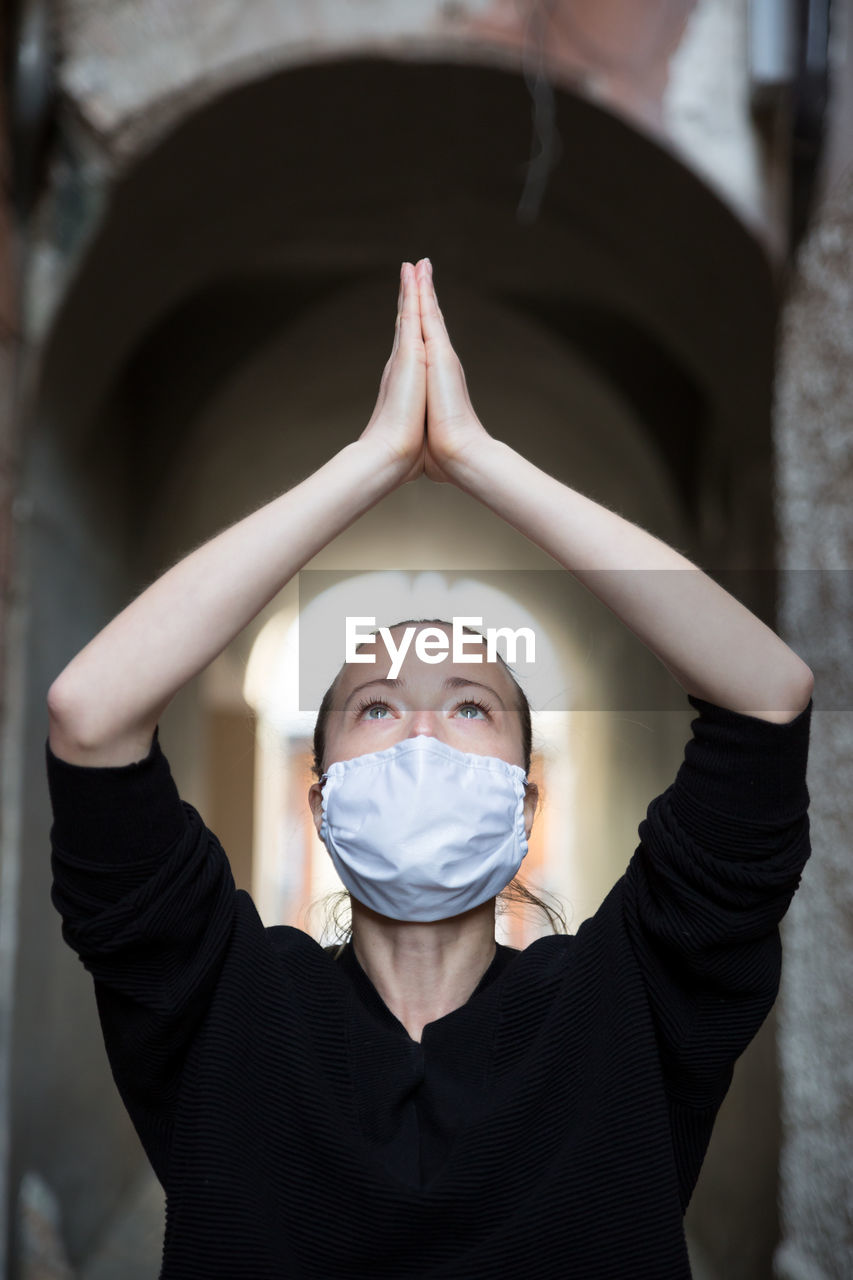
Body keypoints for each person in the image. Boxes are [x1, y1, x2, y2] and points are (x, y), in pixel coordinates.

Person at [46, 259, 814, 1279]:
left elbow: (765, 693)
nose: (420, 734)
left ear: (525, 795)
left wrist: (478, 457)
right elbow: (87, 712)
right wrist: (368, 462)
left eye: (468, 702)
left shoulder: (625, 1000)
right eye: (373, 703)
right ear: (318, 799)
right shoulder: (225, 1003)